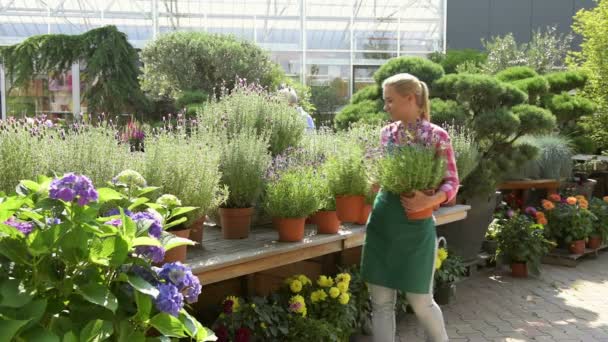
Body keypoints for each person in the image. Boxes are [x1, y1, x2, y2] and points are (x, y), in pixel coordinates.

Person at [360, 73, 459, 342]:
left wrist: (430, 200)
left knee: (421, 301)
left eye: (390, 100)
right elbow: (383, 177)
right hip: (383, 225)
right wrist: (373, 181)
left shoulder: (437, 136)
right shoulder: (387, 134)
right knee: (380, 305)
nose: (386, 106)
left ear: (410, 98)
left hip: (415, 227)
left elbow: (452, 182)